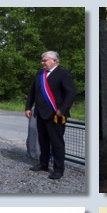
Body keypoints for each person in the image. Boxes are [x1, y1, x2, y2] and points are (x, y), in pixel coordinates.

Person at [25, 51, 76, 180]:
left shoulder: (63, 73)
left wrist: (62, 110)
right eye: (42, 60)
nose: (42, 63)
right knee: (43, 141)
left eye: (45, 60)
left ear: (54, 61)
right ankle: (43, 163)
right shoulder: (40, 74)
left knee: (57, 143)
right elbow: (32, 92)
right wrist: (28, 107)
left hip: (56, 115)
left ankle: (58, 169)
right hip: (41, 113)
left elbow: (70, 94)